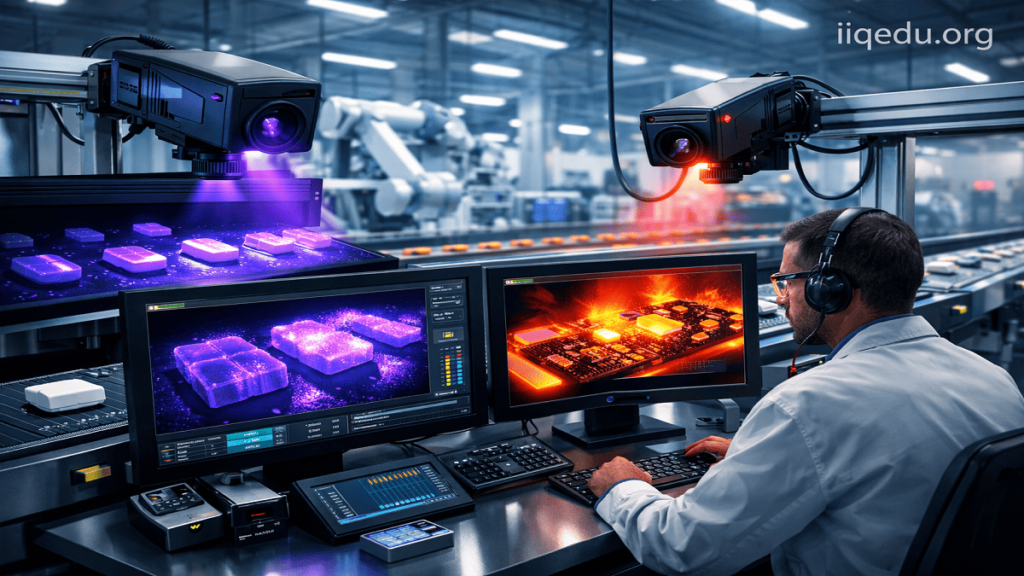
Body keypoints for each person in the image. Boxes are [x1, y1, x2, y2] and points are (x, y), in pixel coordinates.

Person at [588, 208, 1024, 576]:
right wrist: (763, 451)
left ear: (829, 290)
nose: (781, 299)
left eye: (788, 282)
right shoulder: (992, 378)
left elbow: (682, 548)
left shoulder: (808, 405)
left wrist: (622, 488)